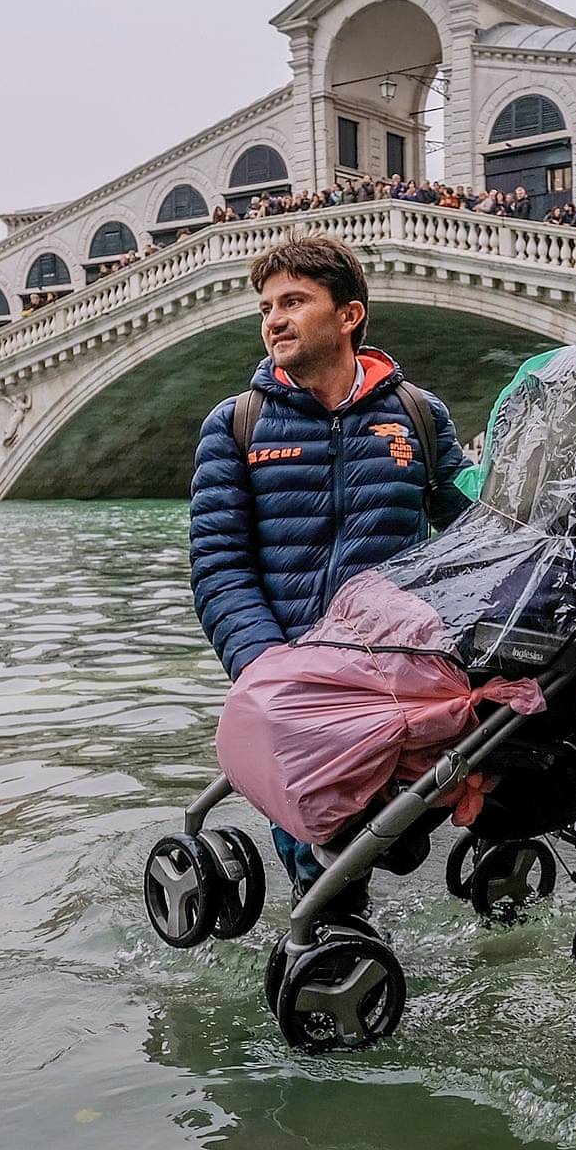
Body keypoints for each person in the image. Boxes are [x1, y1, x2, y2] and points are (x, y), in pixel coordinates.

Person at [190, 229, 472, 913]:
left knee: (402, 834)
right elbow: (218, 565)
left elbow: (471, 534)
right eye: (266, 307)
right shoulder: (237, 425)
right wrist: (266, 671)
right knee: (322, 879)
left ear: (349, 315)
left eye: (293, 301)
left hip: (396, 673)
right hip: (293, 685)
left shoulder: (417, 415)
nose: (274, 320)